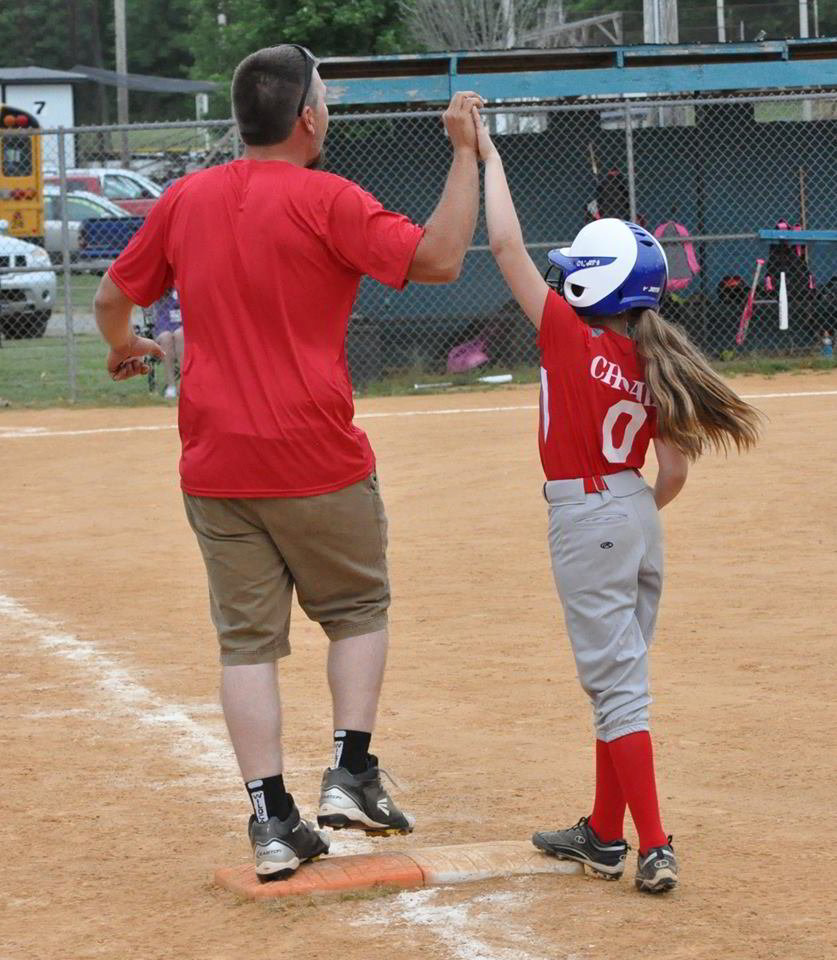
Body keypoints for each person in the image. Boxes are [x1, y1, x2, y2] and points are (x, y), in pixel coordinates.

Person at [93, 43, 484, 880]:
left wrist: (126, 347)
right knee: (356, 609)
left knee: (246, 645)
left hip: (217, 465)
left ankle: (272, 820)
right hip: (315, 454)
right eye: (326, 96)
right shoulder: (329, 199)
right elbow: (441, 258)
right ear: (306, 119)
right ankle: (349, 769)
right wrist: (462, 154)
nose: (329, 106)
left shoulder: (187, 199)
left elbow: (110, 297)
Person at [473, 108, 761, 894]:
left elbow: (502, 246)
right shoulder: (652, 355)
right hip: (633, 510)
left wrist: (488, 157)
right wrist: (627, 515)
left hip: (589, 511)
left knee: (616, 688)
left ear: (597, 284)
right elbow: (671, 472)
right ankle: (602, 834)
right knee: (618, 677)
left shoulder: (571, 332)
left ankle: (653, 843)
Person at [151, 288, 183, 398]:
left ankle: (185, 384)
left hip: (184, 331)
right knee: (166, 338)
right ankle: (171, 386)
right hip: (164, 329)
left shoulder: (185, 282)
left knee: (180, 334)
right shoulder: (161, 285)